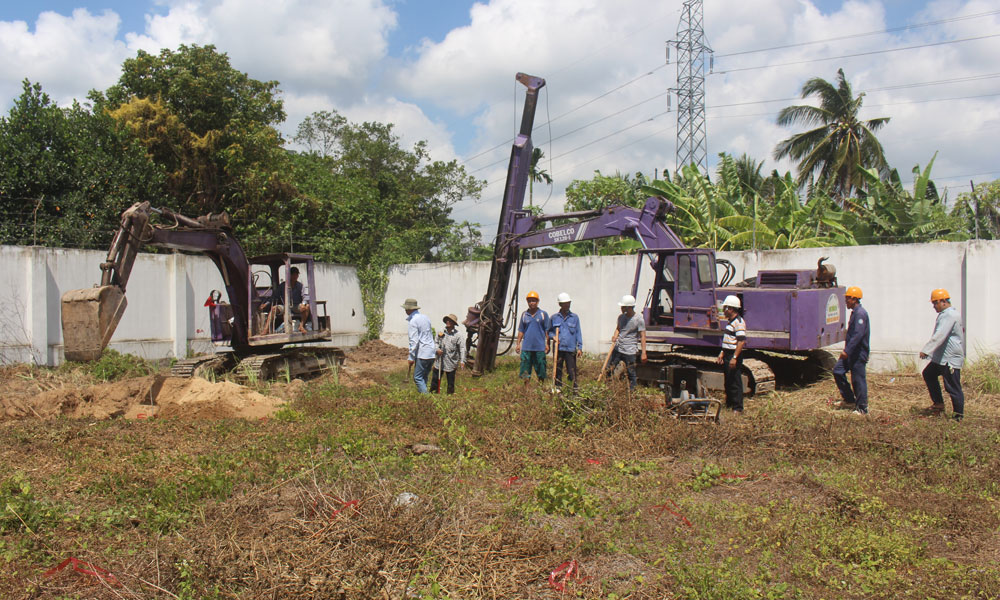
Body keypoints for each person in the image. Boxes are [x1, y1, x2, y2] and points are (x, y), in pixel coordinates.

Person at [919, 288, 965, 421]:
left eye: (935, 303)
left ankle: (958, 416)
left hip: (949, 359)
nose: (934, 306)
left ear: (943, 301)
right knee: (928, 374)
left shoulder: (950, 315)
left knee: (952, 387)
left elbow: (940, 335)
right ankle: (938, 405)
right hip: (941, 358)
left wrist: (927, 350)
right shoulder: (946, 314)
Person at [833, 286, 870, 415]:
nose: (846, 301)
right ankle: (849, 400)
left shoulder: (860, 314)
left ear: (854, 299)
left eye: (848, 298)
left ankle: (862, 408)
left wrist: (847, 351)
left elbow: (858, 335)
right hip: (851, 353)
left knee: (858, 380)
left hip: (858, 354)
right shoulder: (855, 312)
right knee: (838, 371)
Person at [605, 294, 647, 391]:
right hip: (618, 348)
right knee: (609, 368)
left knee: (631, 373)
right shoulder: (621, 317)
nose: (621, 308)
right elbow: (618, 329)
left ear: (628, 307)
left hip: (630, 351)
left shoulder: (639, 319)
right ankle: (607, 388)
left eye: (623, 306)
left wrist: (644, 353)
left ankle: (632, 391)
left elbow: (643, 336)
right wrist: (615, 335)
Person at [716, 295, 746, 413]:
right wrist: (722, 353)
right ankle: (729, 404)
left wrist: (734, 357)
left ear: (731, 309)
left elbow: (741, 341)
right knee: (728, 381)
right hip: (727, 353)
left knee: (735, 381)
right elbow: (728, 340)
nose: (723, 311)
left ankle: (738, 408)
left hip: (733, 355)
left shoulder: (738, 322)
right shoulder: (730, 322)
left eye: (725, 308)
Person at [549, 292, 583, 394]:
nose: (567, 305)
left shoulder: (574, 317)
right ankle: (558, 388)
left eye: (568, 303)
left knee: (571, 370)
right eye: (565, 303)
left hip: (570, 348)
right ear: (560, 304)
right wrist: (553, 337)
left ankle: (573, 389)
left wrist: (580, 347)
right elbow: (549, 331)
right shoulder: (554, 317)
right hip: (558, 348)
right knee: (558, 369)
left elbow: (578, 333)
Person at [515, 291, 550, 385]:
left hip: (539, 348)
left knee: (541, 368)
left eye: (534, 301)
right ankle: (526, 389)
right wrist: (518, 344)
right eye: (529, 301)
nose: (531, 303)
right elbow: (521, 330)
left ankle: (541, 387)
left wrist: (547, 344)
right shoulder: (524, 315)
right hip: (526, 348)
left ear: (538, 302)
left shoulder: (543, 314)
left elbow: (547, 331)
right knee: (525, 370)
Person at [262, 266, 311, 334]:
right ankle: (266, 329)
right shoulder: (282, 285)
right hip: (285, 306)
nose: (295, 276)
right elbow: (274, 296)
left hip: (296, 306)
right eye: (293, 274)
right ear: (289, 275)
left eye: (296, 274)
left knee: (307, 307)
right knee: (273, 309)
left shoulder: (300, 286)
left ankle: (301, 326)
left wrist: (303, 304)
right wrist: (266, 303)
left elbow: (305, 296)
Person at [402, 298, 436, 394]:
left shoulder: (413, 321)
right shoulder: (425, 318)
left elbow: (414, 341)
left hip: (423, 353)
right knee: (424, 377)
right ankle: (423, 399)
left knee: (417, 378)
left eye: (406, 308)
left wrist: (411, 357)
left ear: (410, 309)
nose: (405, 310)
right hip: (431, 352)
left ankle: (427, 399)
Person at [431, 314, 465, 394]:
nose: (448, 322)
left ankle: (450, 396)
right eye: (447, 320)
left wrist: (462, 361)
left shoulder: (458, 335)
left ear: (454, 323)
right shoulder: (441, 332)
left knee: (450, 381)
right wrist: (437, 349)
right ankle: (433, 393)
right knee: (435, 379)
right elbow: (435, 342)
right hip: (439, 360)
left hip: (451, 361)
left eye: (450, 321)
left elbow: (462, 348)